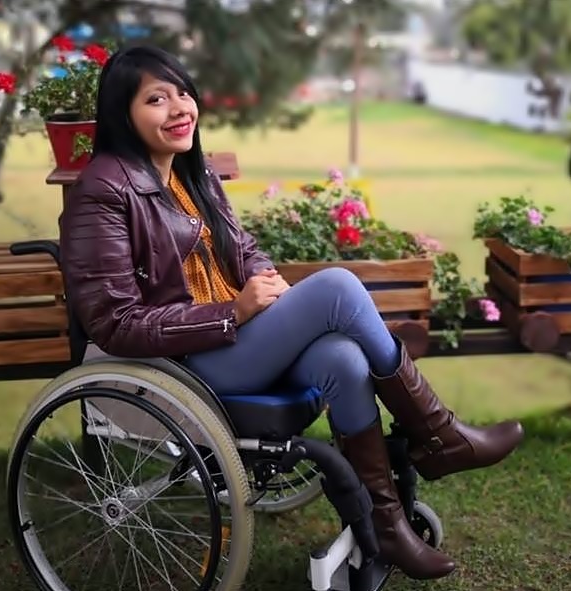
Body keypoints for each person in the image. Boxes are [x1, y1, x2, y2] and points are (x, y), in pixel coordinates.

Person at [58, 44, 524, 580]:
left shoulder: (193, 175)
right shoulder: (103, 190)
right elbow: (114, 323)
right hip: (184, 363)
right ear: (123, 113)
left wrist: (263, 282)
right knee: (339, 288)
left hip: (233, 339)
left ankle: (386, 528)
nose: (179, 107)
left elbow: (244, 248)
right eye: (157, 99)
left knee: (344, 359)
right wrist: (232, 312)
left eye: (183, 92)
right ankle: (440, 437)